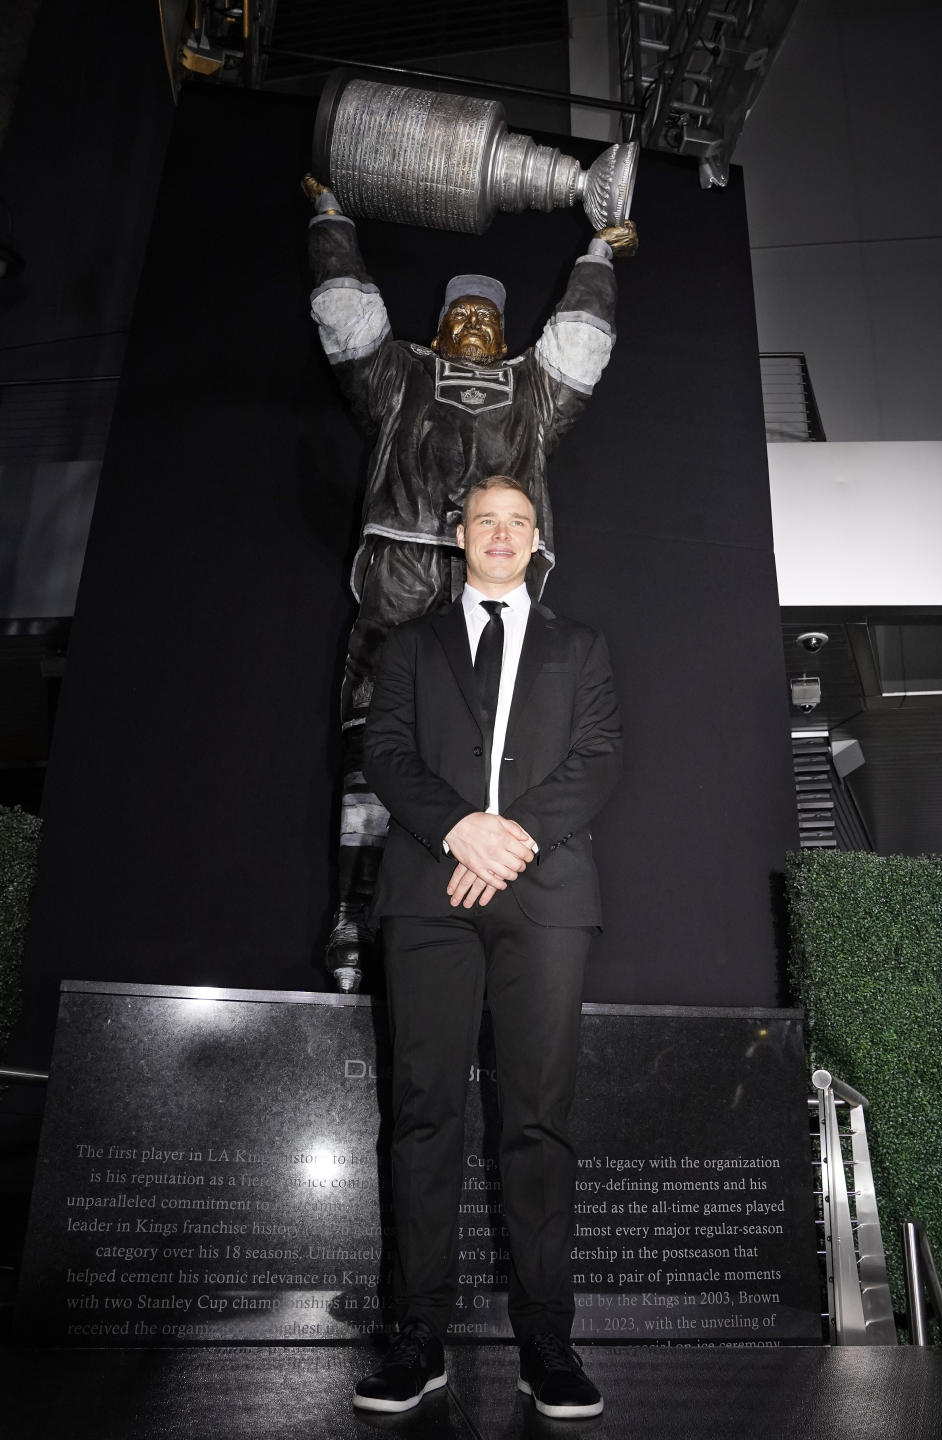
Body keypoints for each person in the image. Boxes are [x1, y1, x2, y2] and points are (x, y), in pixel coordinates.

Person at [304, 174, 636, 989]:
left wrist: (598, 253)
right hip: (401, 593)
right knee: (373, 759)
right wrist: (332, 223)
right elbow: (350, 324)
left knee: (502, 761)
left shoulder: (532, 396)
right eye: (463, 315)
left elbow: (577, 346)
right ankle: (358, 912)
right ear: (443, 328)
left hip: (499, 611)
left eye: (490, 316)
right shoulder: (399, 380)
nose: (479, 324)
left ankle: (490, 913)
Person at [353, 474, 622, 1418]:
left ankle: (545, 1337)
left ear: (535, 539)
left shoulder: (578, 646)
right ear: (457, 535)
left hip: (544, 898)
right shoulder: (407, 644)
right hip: (431, 892)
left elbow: (598, 757)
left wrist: (506, 841)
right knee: (424, 1112)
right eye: (485, 521)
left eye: (518, 522)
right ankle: (415, 1334)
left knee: (539, 1120)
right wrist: (459, 827)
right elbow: (386, 751)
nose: (501, 535)